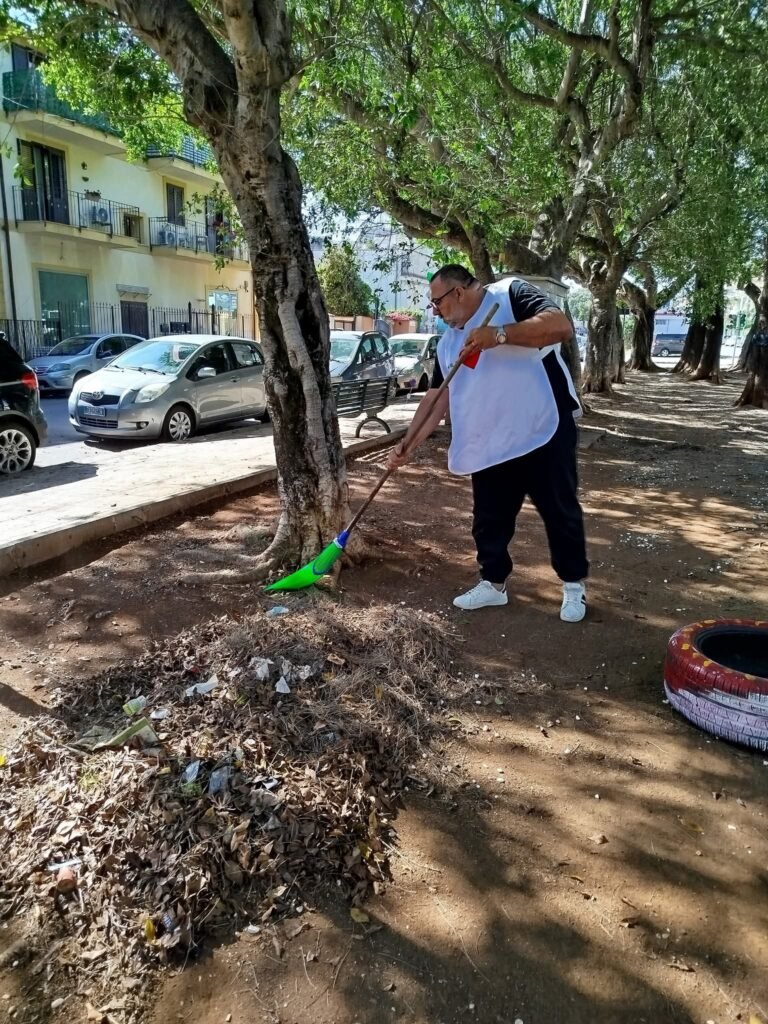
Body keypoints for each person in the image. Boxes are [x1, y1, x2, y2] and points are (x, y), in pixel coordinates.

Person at [388, 264, 589, 622]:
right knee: (488, 518)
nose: (436, 311)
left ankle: (573, 585)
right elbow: (436, 397)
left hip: (543, 426)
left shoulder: (510, 294)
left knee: (559, 510)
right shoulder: (449, 343)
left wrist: (499, 335)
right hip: (491, 438)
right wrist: (408, 444)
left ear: (458, 292)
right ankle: (493, 583)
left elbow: (560, 326)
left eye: (437, 302)